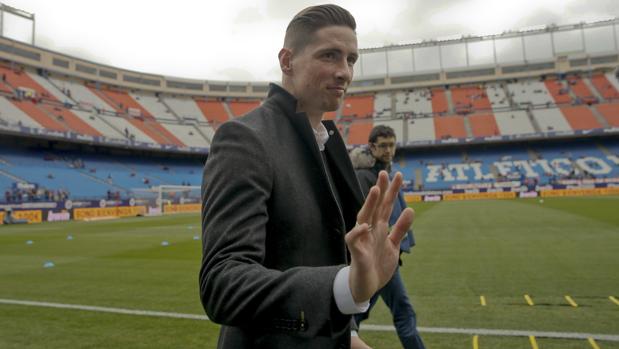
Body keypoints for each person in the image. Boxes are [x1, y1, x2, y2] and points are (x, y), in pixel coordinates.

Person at [199, 4, 414, 349]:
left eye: (351, 59)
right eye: (329, 55)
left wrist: (350, 337)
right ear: (287, 61)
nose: (344, 72)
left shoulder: (329, 144)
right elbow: (223, 283)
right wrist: (346, 286)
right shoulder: (245, 138)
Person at [352, 126, 425, 349]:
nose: (388, 150)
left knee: (356, 314)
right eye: (383, 145)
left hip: (382, 258)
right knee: (403, 312)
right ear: (371, 147)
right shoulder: (364, 176)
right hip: (375, 258)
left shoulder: (386, 172)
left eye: (391, 145)